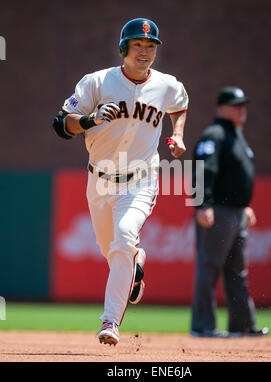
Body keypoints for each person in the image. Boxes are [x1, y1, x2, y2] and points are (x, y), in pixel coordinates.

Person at [52, 18, 188, 345]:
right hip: (99, 181)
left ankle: (110, 322)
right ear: (124, 49)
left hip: (141, 180)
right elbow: (60, 124)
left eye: (150, 46)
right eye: (138, 45)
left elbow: (180, 105)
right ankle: (135, 267)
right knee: (112, 252)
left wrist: (178, 135)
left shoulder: (167, 85)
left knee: (124, 236)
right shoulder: (97, 82)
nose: (144, 52)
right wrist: (89, 119)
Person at [191, 86, 269, 337]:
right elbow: (204, 170)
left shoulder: (236, 136)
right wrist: (203, 205)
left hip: (236, 212)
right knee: (209, 266)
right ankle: (203, 326)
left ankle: (243, 326)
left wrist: (245, 205)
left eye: (243, 105)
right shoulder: (214, 134)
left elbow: (237, 177)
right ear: (222, 108)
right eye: (236, 105)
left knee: (237, 271)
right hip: (218, 211)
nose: (241, 109)